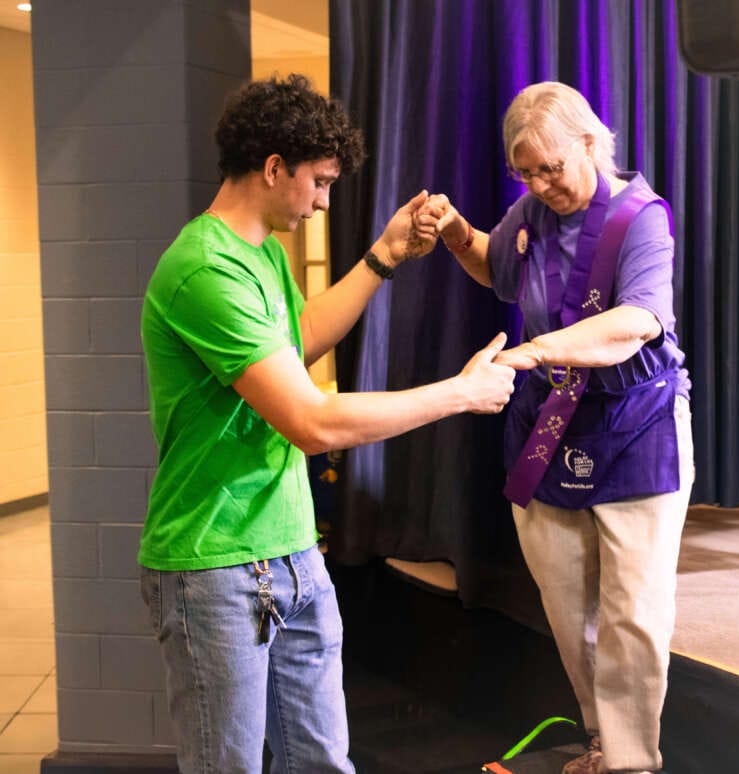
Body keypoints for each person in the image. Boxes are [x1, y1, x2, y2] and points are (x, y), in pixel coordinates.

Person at [137, 73, 516, 774]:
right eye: (319, 182)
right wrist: (461, 394)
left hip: (291, 551)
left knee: (321, 764)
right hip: (216, 567)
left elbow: (300, 337)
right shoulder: (202, 270)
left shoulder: (261, 256)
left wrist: (385, 255)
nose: (323, 201)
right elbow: (312, 422)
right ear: (274, 167)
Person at [421, 81, 694, 774]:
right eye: (527, 172)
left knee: (633, 611)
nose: (542, 184)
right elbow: (496, 267)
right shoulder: (532, 213)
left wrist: (535, 349)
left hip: (637, 422)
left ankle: (633, 762)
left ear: (588, 143)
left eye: (553, 167)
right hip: (553, 421)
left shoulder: (641, 218)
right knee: (570, 608)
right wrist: (456, 232)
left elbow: (637, 322)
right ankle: (603, 739)